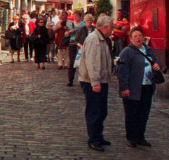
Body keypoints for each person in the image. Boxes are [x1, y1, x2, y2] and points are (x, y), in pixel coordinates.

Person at [116, 26, 163, 149]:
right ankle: (131, 138)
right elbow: (122, 71)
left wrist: (157, 65)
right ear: (131, 38)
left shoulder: (148, 50)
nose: (138, 38)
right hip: (133, 87)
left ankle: (140, 137)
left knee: (144, 113)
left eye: (140, 36)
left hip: (147, 87)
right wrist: (124, 87)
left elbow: (156, 61)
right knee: (132, 114)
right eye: (135, 36)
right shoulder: (127, 52)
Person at [78, 14, 113, 151]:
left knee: (101, 110)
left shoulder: (102, 39)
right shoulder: (94, 39)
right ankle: (93, 139)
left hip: (100, 80)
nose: (112, 30)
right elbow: (92, 63)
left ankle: (98, 135)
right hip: (93, 81)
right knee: (94, 110)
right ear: (105, 27)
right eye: (111, 27)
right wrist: (95, 82)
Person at [65, 11, 84, 86]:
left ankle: (82, 79)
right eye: (74, 16)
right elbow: (66, 34)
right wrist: (69, 32)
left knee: (82, 62)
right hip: (72, 44)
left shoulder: (83, 25)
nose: (75, 17)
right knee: (72, 62)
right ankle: (70, 80)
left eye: (77, 16)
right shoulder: (71, 24)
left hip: (80, 44)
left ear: (80, 16)